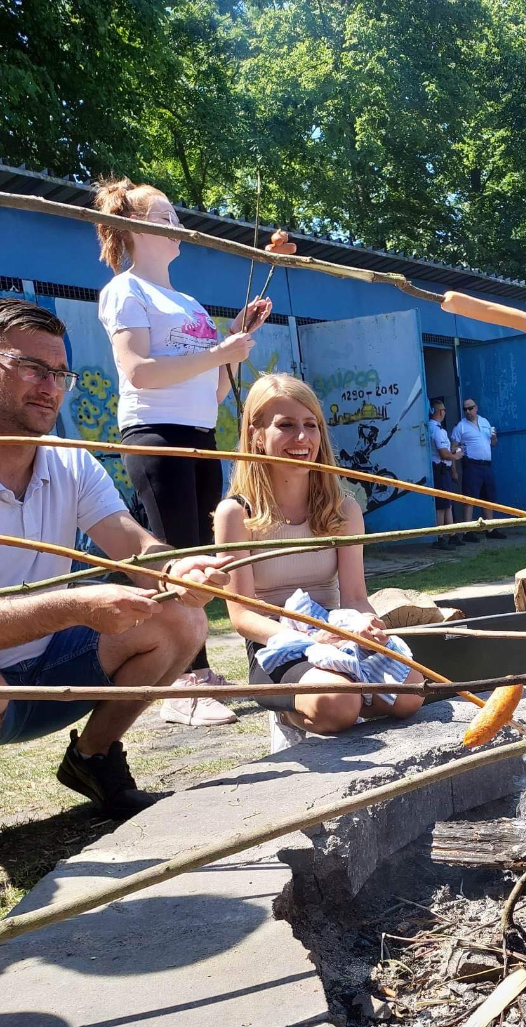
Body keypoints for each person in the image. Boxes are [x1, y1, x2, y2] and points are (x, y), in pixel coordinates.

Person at [0, 299, 229, 815]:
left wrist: (176, 570)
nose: (50, 386)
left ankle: (92, 758)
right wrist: (76, 607)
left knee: (180, 619)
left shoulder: (69, 461)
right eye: (32, 367)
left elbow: (137, 547)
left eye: (60, 372)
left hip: (46, 670)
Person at [93, 176, 272, 726]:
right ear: (136, 228)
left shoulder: (188, 301)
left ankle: (192, 670)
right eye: (167, 218)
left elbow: (216, 387)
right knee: (177, 557)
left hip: (199, 434)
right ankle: (186, 682)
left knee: (199, 551)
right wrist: (220, 348)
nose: (179, 227)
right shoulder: (125, 291)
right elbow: (140, 372)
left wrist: (234, 345)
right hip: (155, 434)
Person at [213, 374, 425, 735]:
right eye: (286, 425)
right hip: (275, 644)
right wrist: (311, 640)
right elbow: (242, 615)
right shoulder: (236, 513)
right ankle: (294, 712)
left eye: (311, 425)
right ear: (256, 435)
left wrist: (367, 626)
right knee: (338, 702)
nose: (302, 438)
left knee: (410, 692)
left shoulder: (343, 511)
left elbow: (355, 597)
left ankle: (343, 696)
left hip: (338, 632)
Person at [451, 397, 506, 540]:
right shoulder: (460, 427)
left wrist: (494, 438)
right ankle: (467, 531)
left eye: (470, 408)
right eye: (465, 409)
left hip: (486, 465)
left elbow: (493, 443)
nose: (468, 411)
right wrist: (459, 452)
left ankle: (490, 529)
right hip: (472, 465)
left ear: (476, 408)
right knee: (470, 498)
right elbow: (453, 447)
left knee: (488, 497)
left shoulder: (484, 422)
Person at [428, 398, 464, 550]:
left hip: (441, 470)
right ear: (440, 412)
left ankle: (452, 535)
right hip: (441, 469)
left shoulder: (429, 427)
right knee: (442, 506)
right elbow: (443, 453)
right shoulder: (438, 430)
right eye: (443, 410)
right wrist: (456, 456)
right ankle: (441, 537)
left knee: (447, 505)